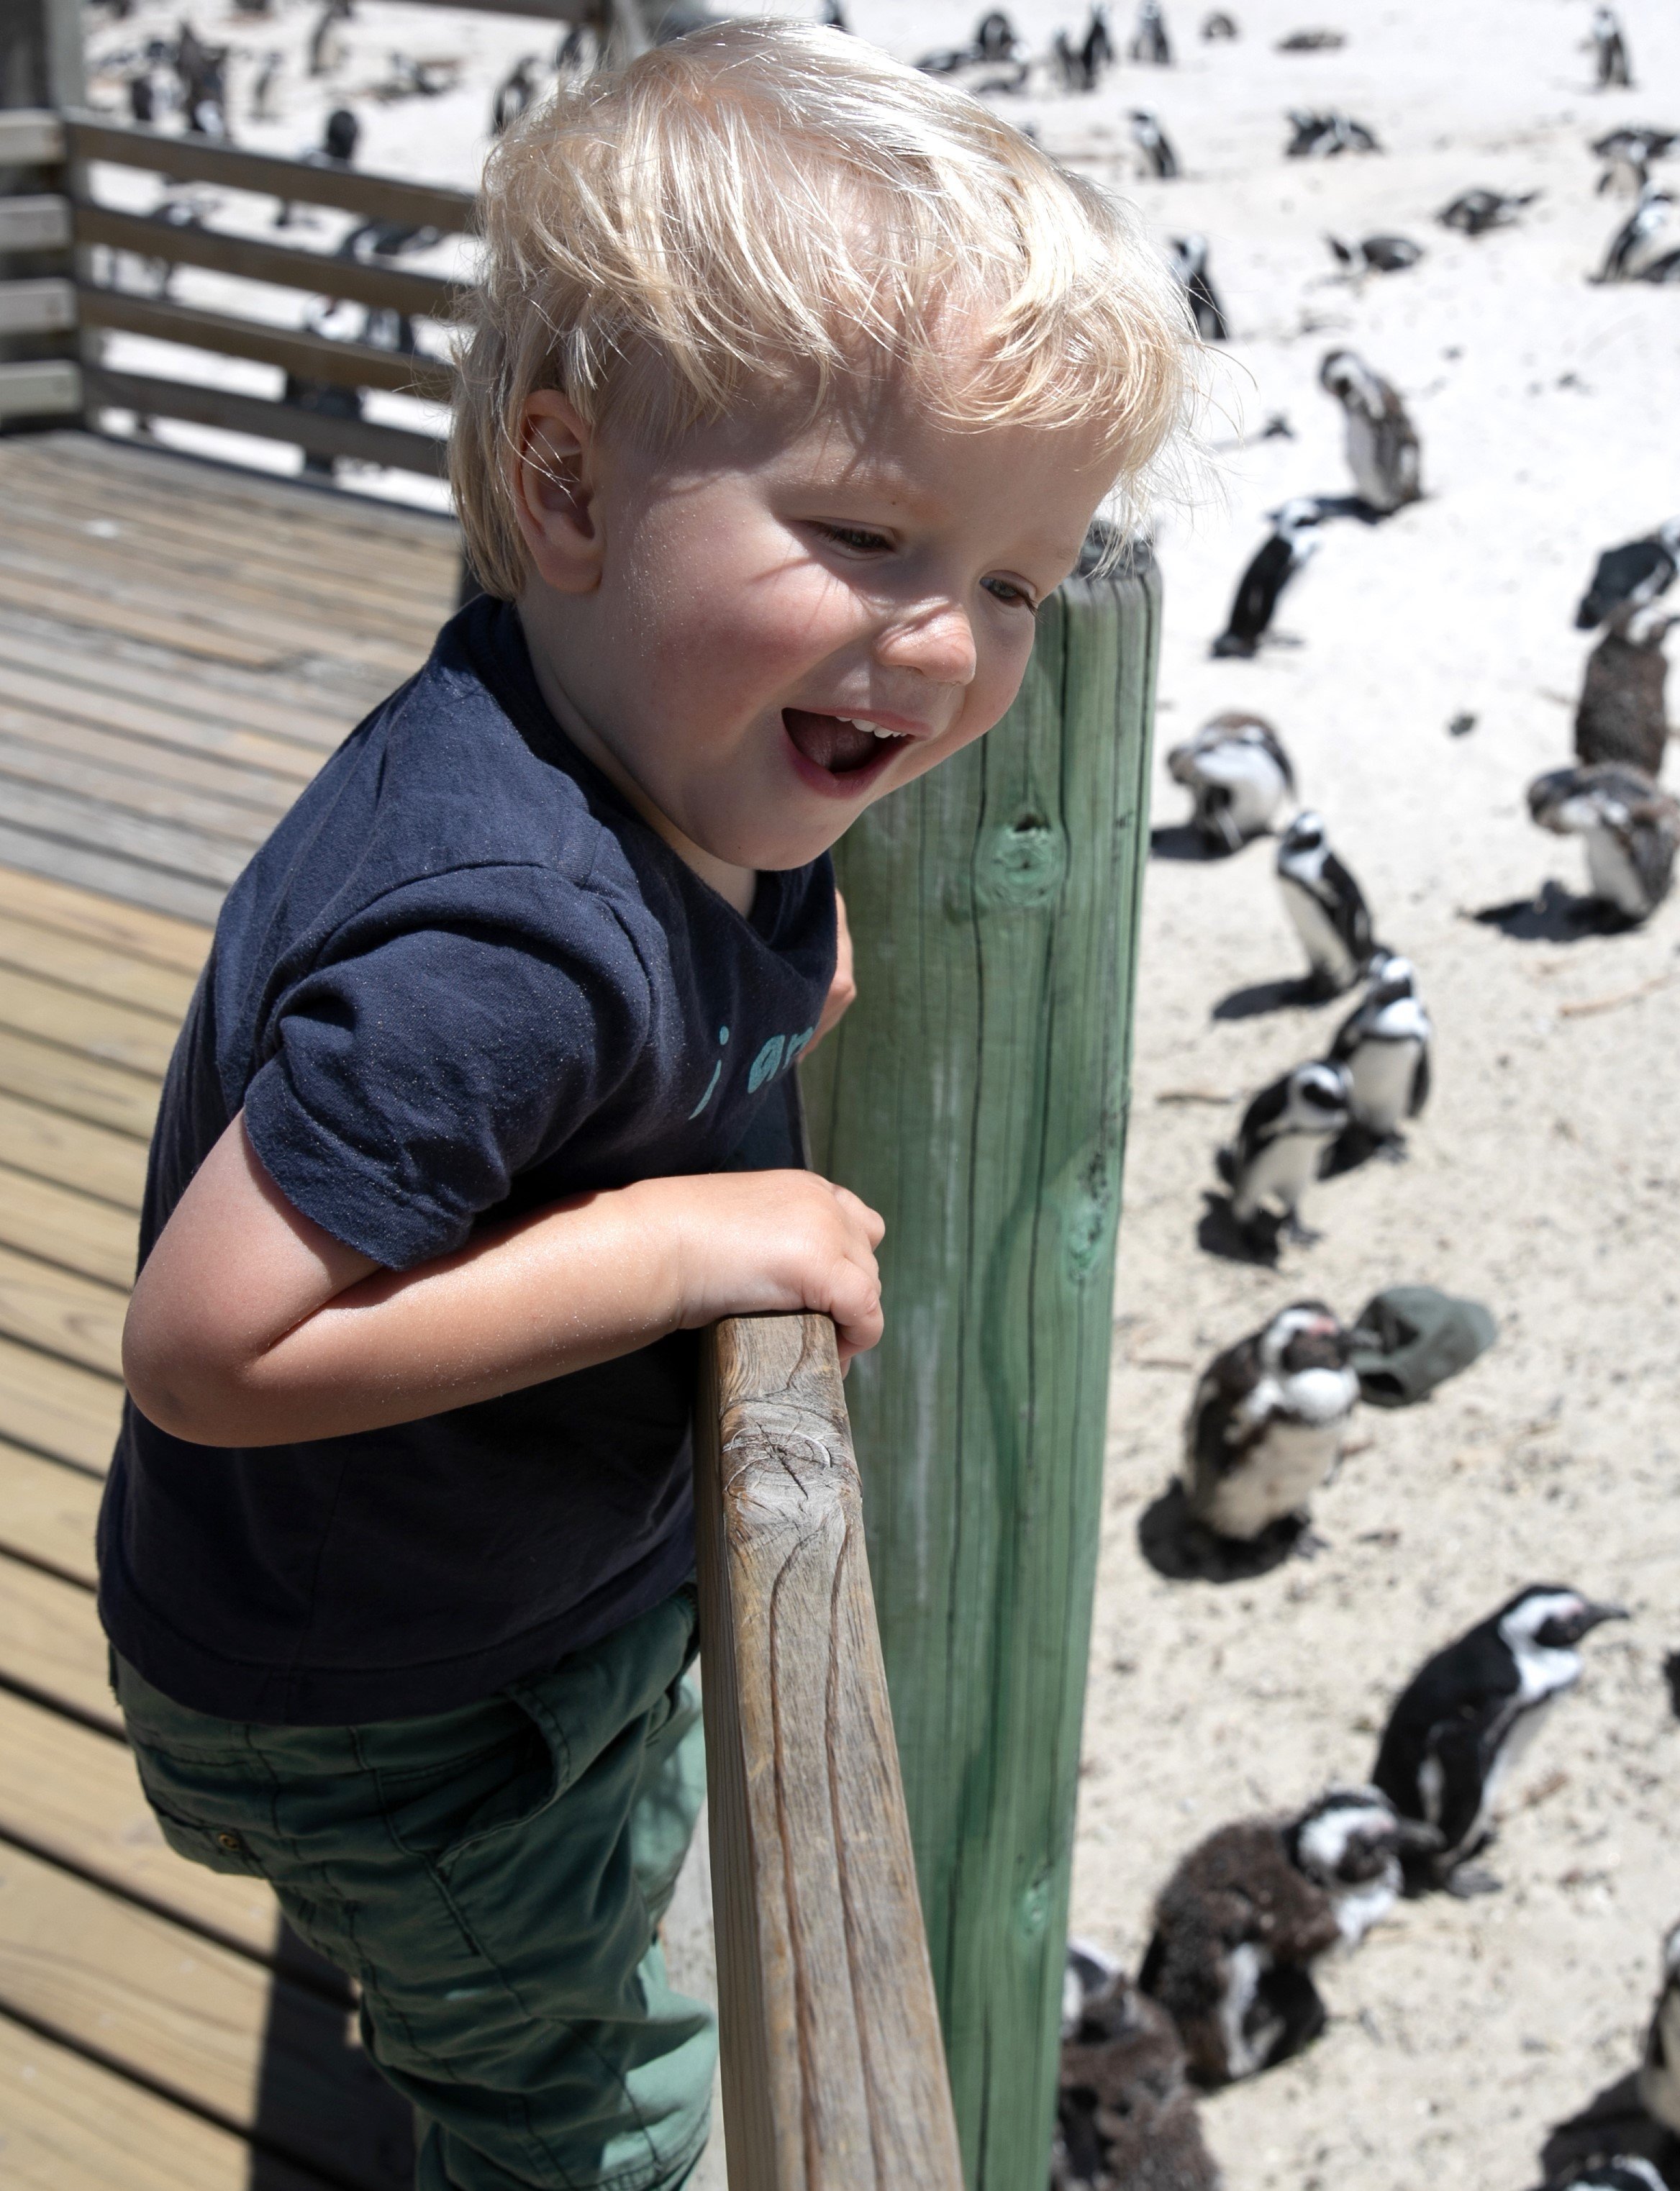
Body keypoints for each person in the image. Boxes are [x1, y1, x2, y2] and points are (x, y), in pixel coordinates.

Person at [101, 22, 1196, 2190]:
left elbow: (691, 953)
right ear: (569, 489)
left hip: (416, 1637)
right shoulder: (502, 939)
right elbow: (206, 1345)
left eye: (1008, 580)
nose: (947, 649)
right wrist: (677, 1243)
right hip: (406, 1706)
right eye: (870, 534)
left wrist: (775, 975)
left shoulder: (621, 743)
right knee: (590, 2126)